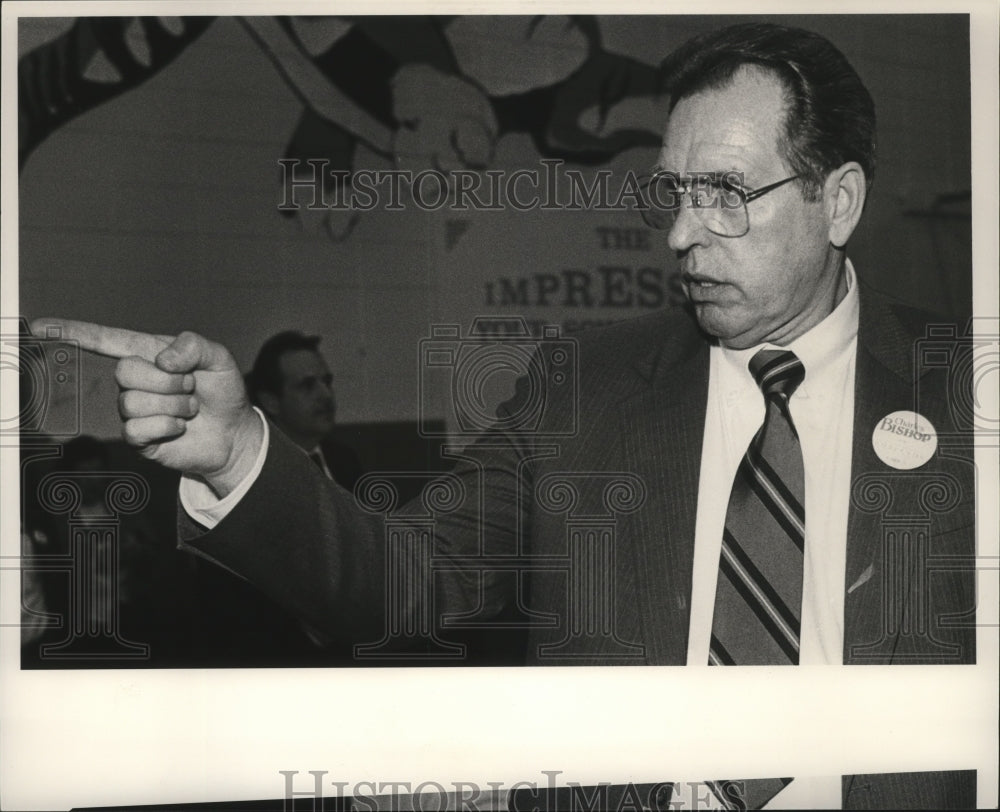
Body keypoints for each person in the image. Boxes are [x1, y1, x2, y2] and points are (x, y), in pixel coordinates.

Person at [31, 22, 976, 810]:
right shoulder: (584, 387)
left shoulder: (966, 397)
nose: (685, 232)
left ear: (839, 200)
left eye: (725, 195)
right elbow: (403, 578)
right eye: (673, 195)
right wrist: (241, 455)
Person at [245, 330, 363, 491]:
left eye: (326, 381)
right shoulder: (259, 473)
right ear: (271, 402)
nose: (326, 394)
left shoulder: (344, 459)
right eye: (307, 385)